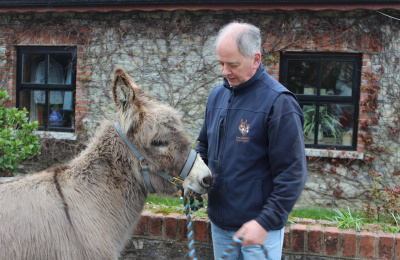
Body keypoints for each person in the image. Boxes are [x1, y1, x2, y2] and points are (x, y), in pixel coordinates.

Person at [195, 21, 307, 260]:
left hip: (259, 231)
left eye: (232, 64)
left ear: (256, 59)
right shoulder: (216, 95)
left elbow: (293, 173)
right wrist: (193, 176)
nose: (225, 71)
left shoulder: (280, 104)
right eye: (221, 63)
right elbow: (204, 146)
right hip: (220, 225)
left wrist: (264, 223)